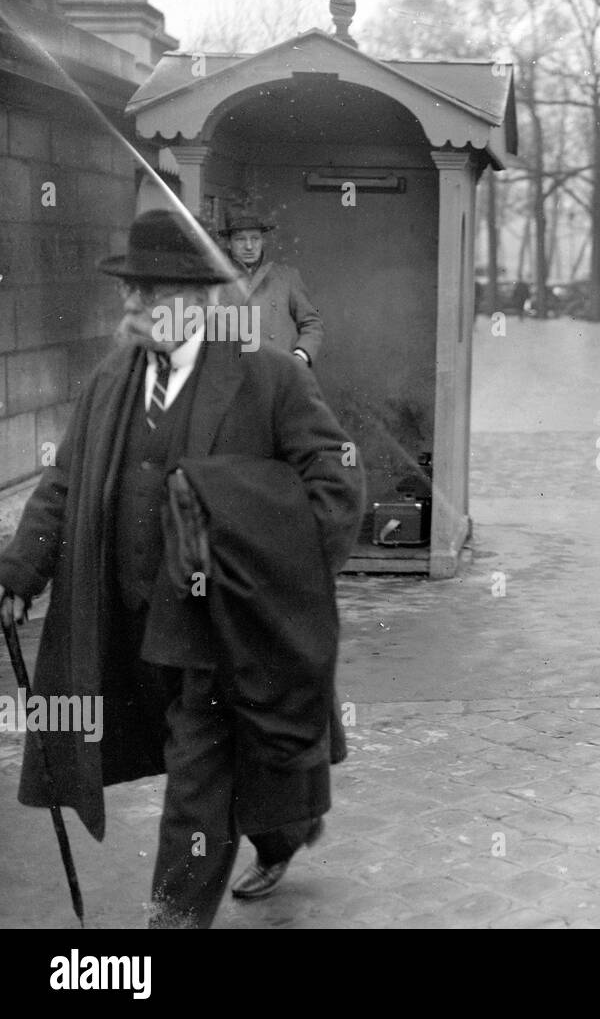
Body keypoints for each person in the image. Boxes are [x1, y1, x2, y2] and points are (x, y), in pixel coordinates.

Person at [0, 208, 364, 927]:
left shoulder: (269, 383)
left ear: (197, 302)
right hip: (132, 624)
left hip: (220, 630)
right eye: (129, 292)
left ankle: (170, 923)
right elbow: (66, 483)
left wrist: (262, 567)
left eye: (150, 294)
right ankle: (286, 828)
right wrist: (18, 573)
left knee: (200, 778)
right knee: (243, 767)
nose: (132, 308)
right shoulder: (111, 382)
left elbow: (337, 489)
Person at [217, 206, 324, 367]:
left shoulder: (287, 277)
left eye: (255, 239)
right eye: (240, 239)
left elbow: (311, 323)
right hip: (233, 376)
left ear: (263, 241)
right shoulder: (215, 280)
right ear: (229, 244)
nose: (249, 246)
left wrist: (300, 357)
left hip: (278, 373)